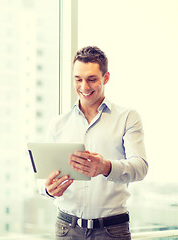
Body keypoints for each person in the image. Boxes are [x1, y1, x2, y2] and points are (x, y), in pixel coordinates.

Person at [41, 46, 148, 240]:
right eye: (78, 79)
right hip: (67, 229)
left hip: (112, 230)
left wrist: (106, 167)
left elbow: (140, 167)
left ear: (106, 78)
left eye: (92, 79)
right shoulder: (58, 124)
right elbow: (44, 177)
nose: (84, 87)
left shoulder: (127, 117)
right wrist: (47, 189)